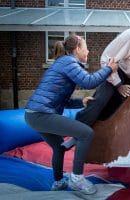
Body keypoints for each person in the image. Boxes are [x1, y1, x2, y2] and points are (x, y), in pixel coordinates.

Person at [24, 34, 118, 195]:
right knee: (86, 133)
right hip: (41, 114)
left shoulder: (63, 63)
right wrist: (109, 68)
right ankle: (76, 179)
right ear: (77, 49)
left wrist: (80, 102)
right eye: (86, 48)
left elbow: (62, 99)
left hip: (32, 114)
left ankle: (59, 182)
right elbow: (89, 81)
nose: (88, 51)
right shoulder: (69, 62)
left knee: (59, 147)